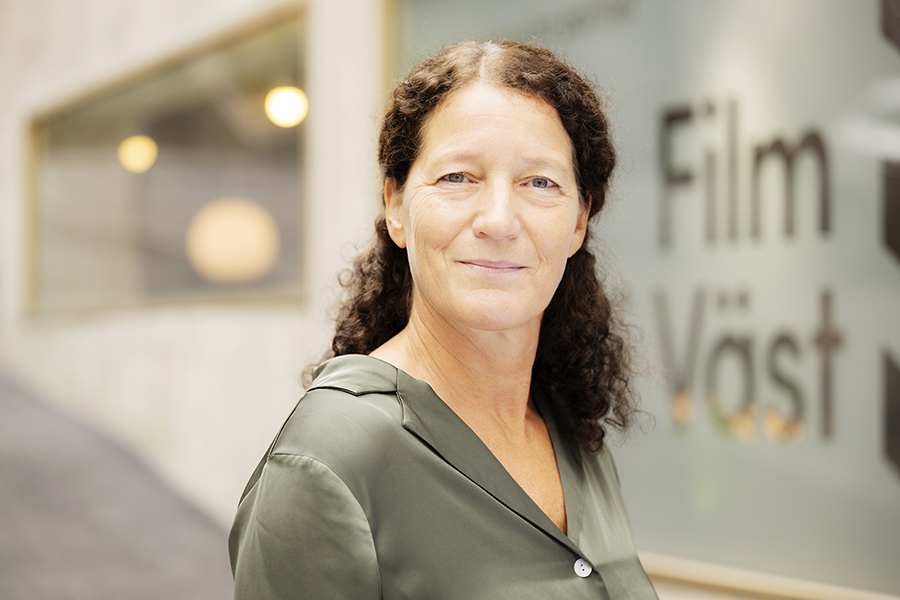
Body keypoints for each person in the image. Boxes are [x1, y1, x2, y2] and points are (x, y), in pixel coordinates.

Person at [229, 40, 658, 599]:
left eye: (540, 182)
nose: (499, 220)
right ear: (396, 206)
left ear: (579, 222)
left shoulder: (571, 435)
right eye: (458, 177)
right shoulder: (329, 458)